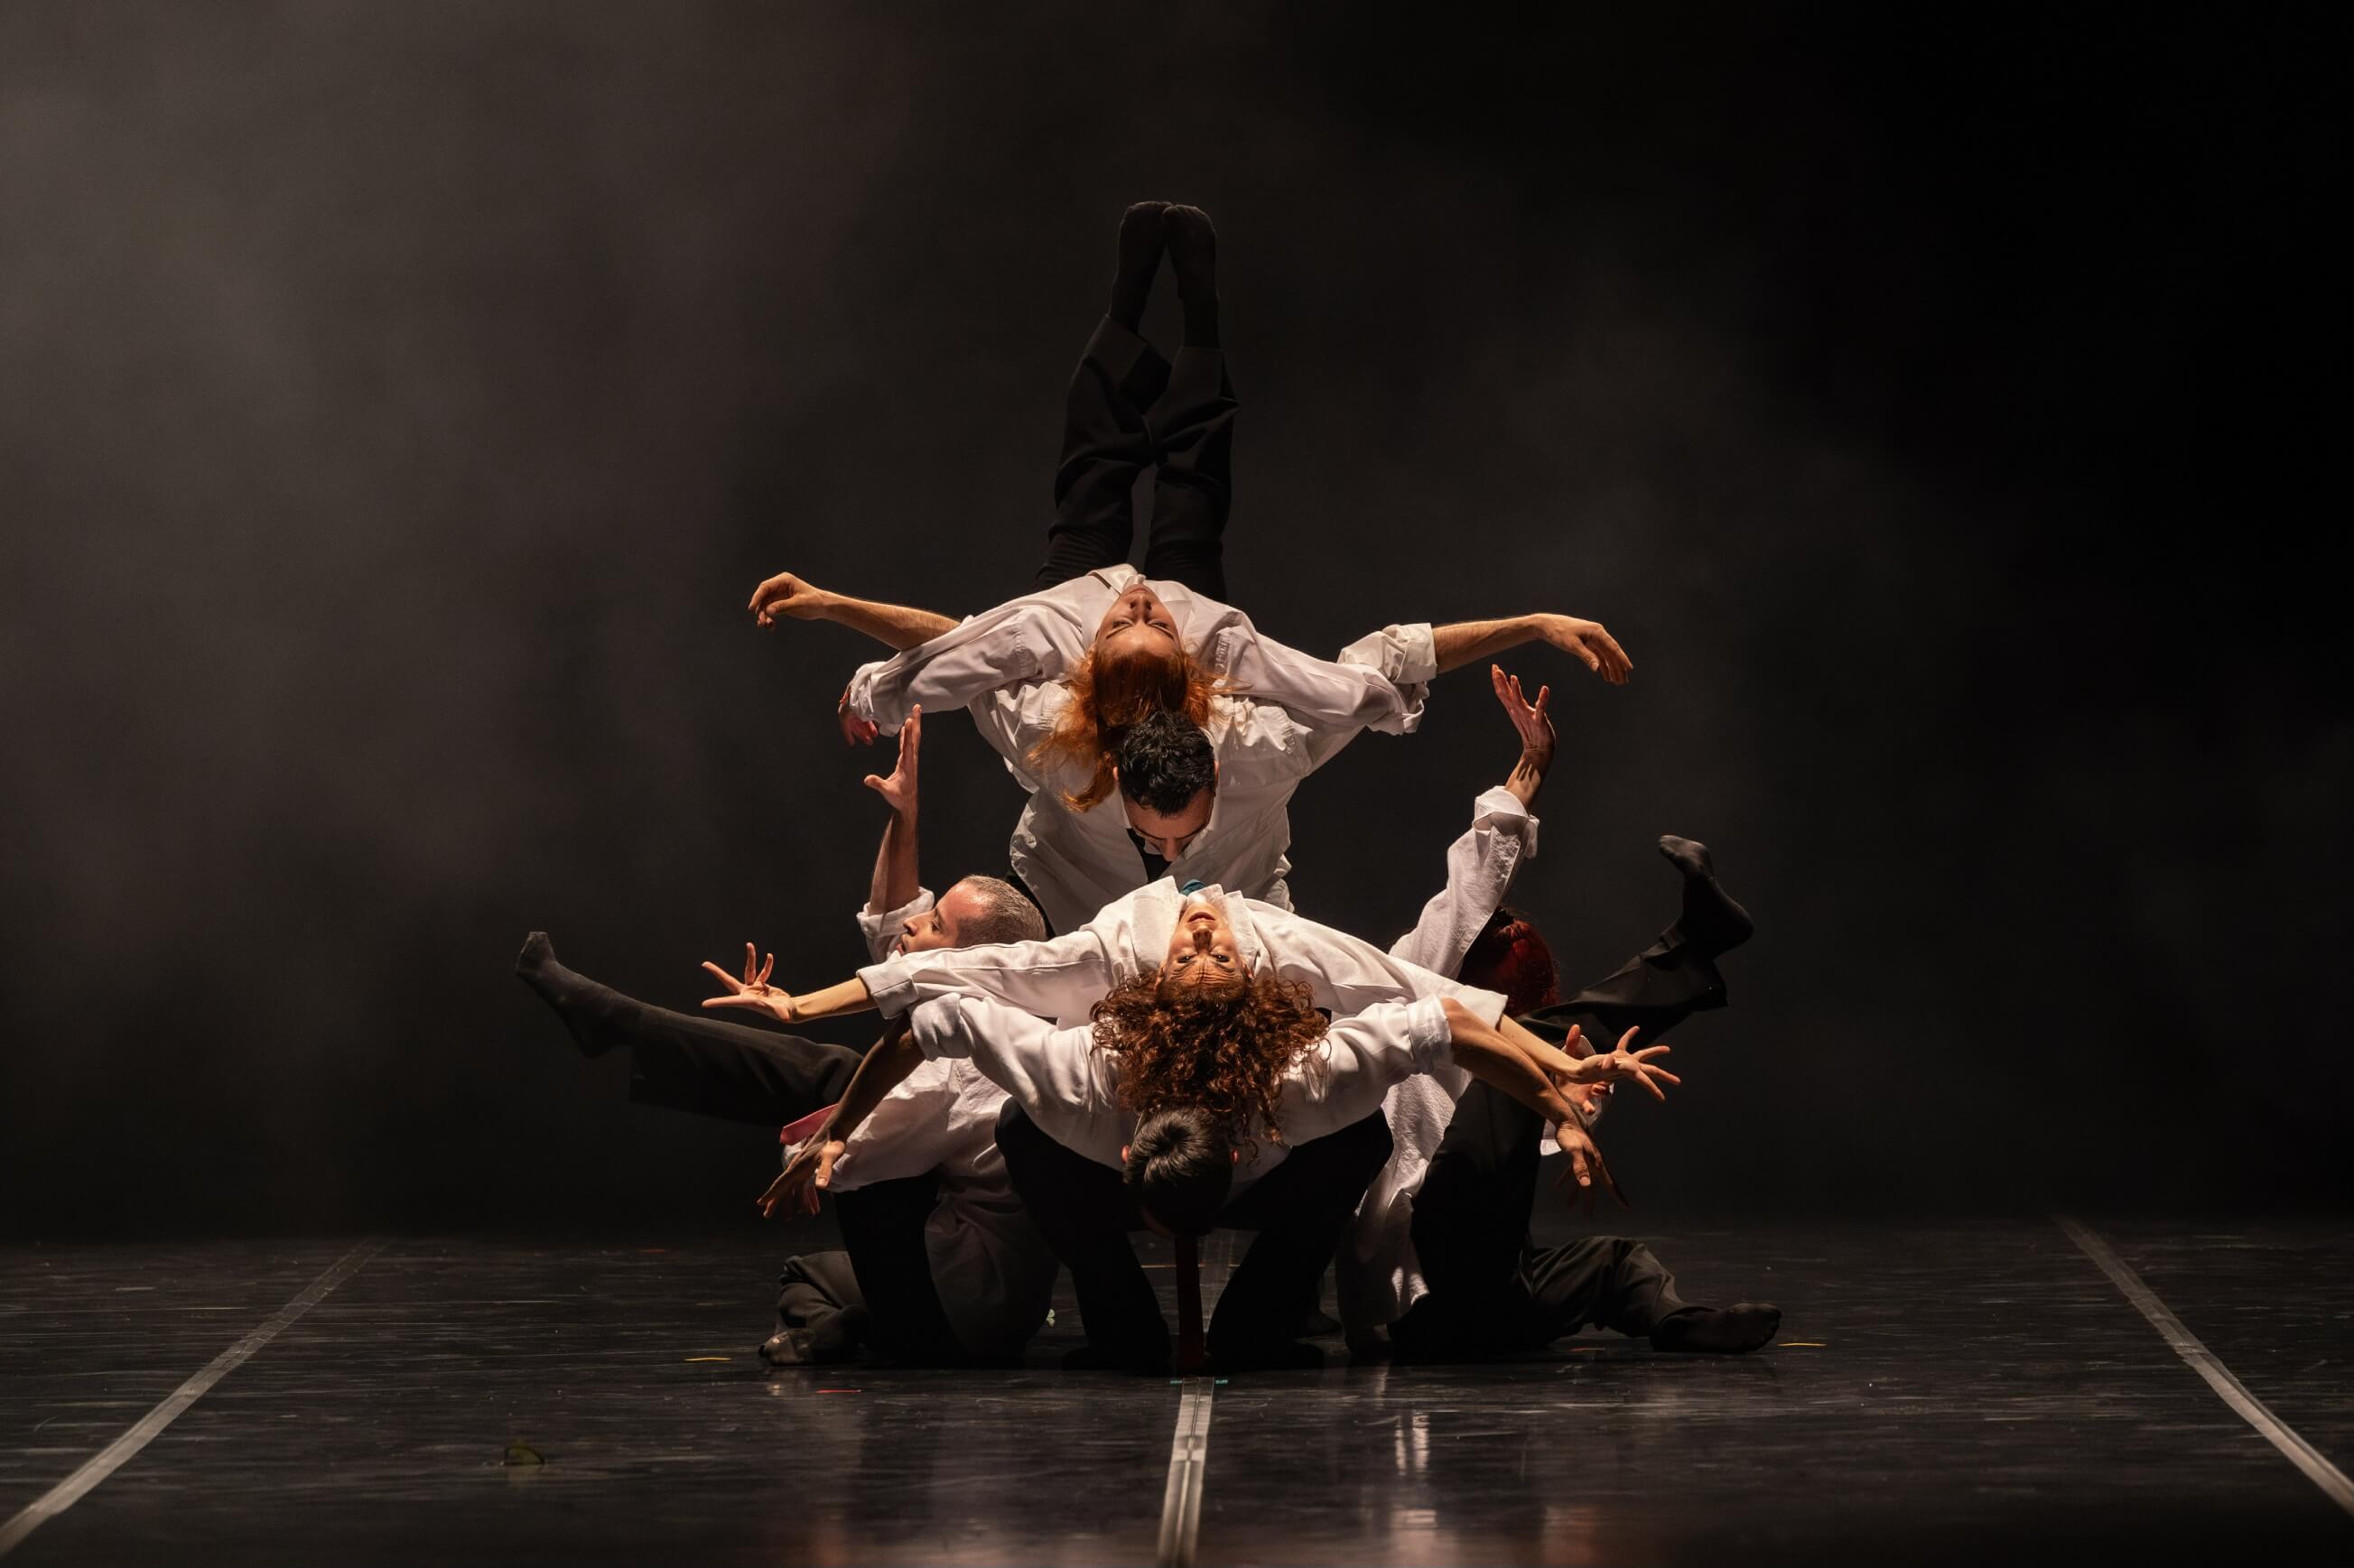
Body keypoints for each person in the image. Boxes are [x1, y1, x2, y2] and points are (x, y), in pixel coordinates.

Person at [737, 202, 1634, 932]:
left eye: (1140, 617)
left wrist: (840, 616)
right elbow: (1380, 666)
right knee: (1194, 491)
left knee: (1091, 481)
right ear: (1199, 691)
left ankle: (1127, 315)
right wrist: (1529, 624)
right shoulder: (1254, 745)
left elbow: (961, 648)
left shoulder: (1052, 732)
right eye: (1146, 618)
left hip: (1082, 652)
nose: (1138, 598)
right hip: (1194, 689)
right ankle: (1199, 324)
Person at [764, 958, 1673, 1371]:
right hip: (1135, 1159)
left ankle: (1259, 1321)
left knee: (1358, 1135)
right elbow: (930, 1022)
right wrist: (839, 1131)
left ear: (1240, 1155)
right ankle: (1123, 1327)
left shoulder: (1304, 1081)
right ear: (1125, 1156)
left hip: (1281, 1164)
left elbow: (1452, 1023)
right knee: (1019, 1129)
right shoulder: (1082, 1080)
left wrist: (1562, 1109)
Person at [516, 710, 1056, 1367]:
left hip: (959, 1311)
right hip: (984, 1306)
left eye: (937, 925)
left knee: (842, 1076)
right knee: (808, 1273)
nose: (916, 926)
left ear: (976, 963)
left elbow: (845, 1161)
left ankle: (616, 1022)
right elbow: (894, 926)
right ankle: (854, 1327)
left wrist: (807, 1147)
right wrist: (904, 817)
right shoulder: (996, 1008)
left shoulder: (968, 1060)